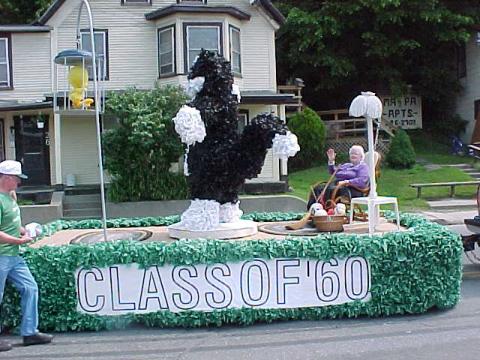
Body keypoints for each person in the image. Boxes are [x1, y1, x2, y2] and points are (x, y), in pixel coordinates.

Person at [0, 160, 53, 352]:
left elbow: (10, 224)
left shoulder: (10, 197)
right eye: (16, 179)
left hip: (13, 256)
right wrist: (18, 241)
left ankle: (30, 332)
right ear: (6, 178)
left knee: (30, 288)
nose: (19, 182)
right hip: (2, 255)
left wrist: (24, 231)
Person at [307, 145, 369, 210]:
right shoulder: (346, 165)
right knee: (317, 188)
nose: (353, 155)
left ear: (361, 156)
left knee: (331, 189)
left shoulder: (363, 167)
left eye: (356, 154)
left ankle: (327, 209)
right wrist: (331, 161)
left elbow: (362, 181)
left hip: (352, 189)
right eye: (351, 153)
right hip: (339, 185)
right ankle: (312, 209)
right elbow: (333, 172)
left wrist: (347, 182)